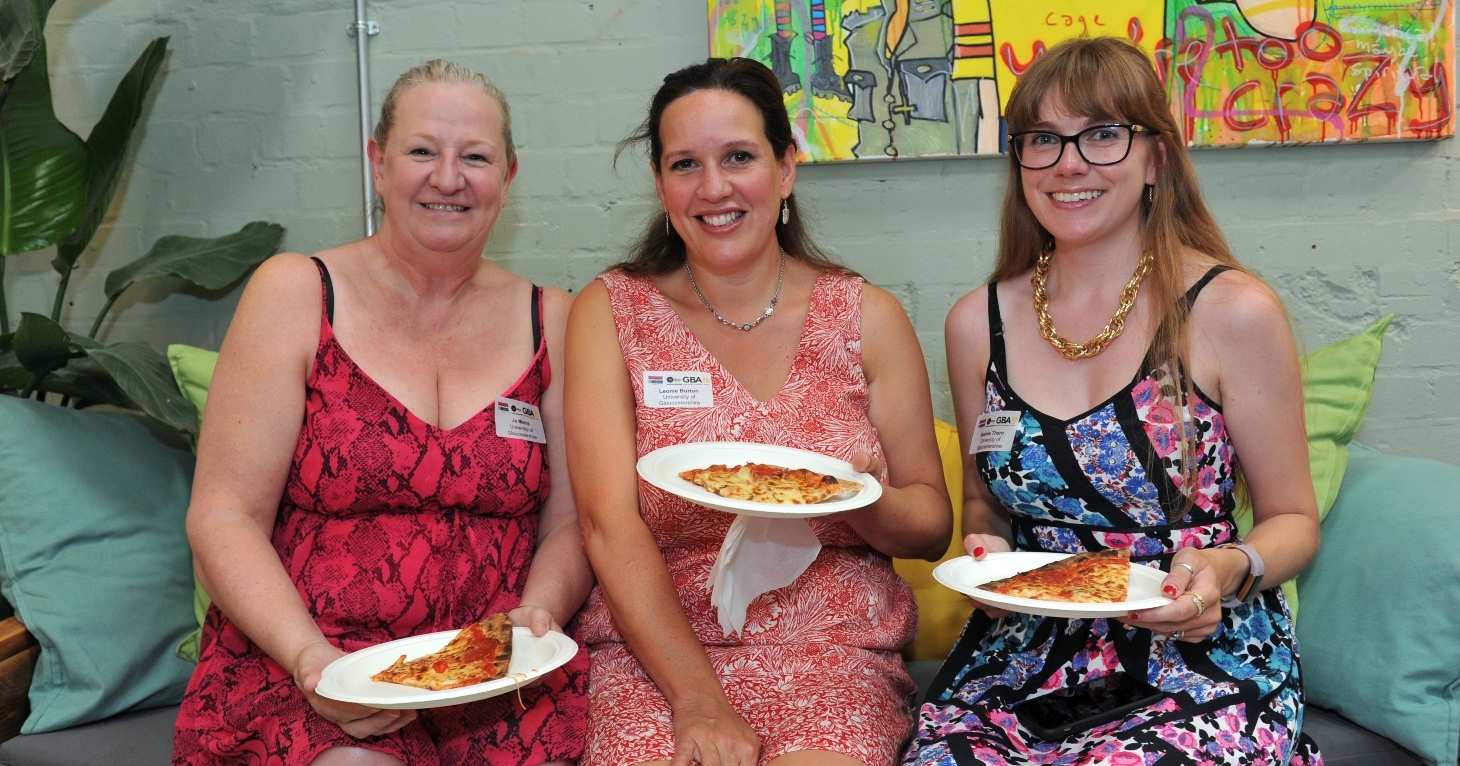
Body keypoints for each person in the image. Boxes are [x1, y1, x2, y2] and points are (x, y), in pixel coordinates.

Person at [905, 37, 1324, 766]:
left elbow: (1293, 521)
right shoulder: (977, 324)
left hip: (1193, 641)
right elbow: (984, 502)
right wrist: (986, 550)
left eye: (1102, 134)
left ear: (1156, 157)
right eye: (1043, 139)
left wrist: (1224, 572)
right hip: (1024, 653)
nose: (1068, 163)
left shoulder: (1232, 311)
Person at [173, 60, 591, 766]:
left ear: (509, 177)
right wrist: (313, 663)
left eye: (476, 157)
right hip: (312, 660)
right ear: (378, 162)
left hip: (497, 669)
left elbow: (575, 521)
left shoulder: (553, 318)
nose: (448, 178)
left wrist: (537, 618)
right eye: (422, 150)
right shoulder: (295, 294)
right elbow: (224, 517)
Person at [564, 58, 953, 766]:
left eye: (739, 157)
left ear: (786, 168)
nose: (714, 187)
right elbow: (607, 527)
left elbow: (930, 527)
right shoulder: (612, 312)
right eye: (686, 164)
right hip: (657, 656)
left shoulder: (866, 316)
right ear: (660, 183)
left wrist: (864, 499)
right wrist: (698, 700)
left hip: (832, 653)